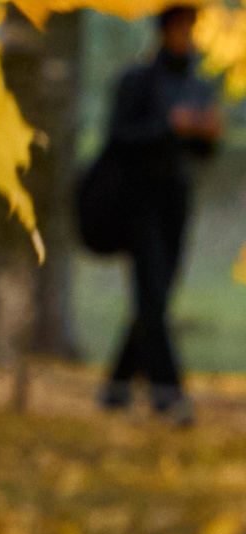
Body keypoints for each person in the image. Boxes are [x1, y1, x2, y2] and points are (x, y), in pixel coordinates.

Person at [99, 1, 222, 421]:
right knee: (152, 297)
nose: (187, 35)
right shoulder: (137, 81)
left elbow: (203, 153)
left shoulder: (198, 85)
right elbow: (118, 136)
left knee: (156, 299)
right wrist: (169, 125)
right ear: (165, 29)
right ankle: (169, 395)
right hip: (138, 203)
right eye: (181, 26)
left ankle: (116, 387)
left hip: (176, 203)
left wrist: (205, 132)